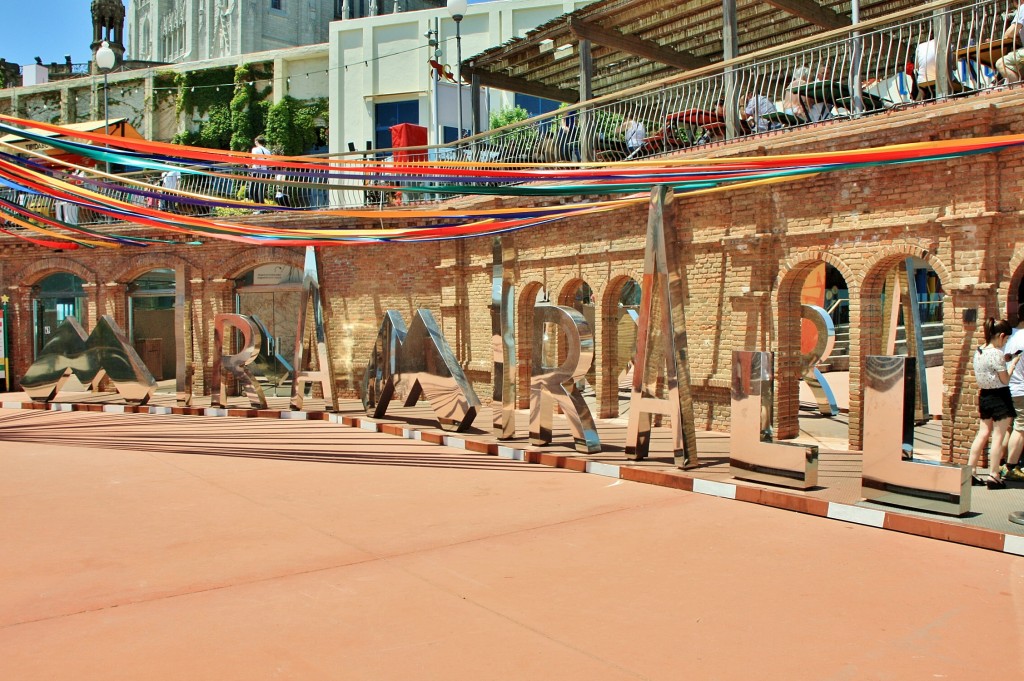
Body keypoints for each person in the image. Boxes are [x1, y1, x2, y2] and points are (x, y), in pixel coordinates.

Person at [967, 318, 1022, 489]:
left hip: (985, 396)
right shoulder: (997, 354)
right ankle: (994, 475)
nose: (1005, 343)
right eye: (1005, 340)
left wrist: (1006, 358)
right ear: (1001, 335)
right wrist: (1012, 363)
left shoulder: (979, 351)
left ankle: (970, 471)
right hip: (1000, 397)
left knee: (982, 434)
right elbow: (1004, 379)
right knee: (998, 437)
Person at [999, 304, 1024, 481]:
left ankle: (999, 463)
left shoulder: (1010, 335)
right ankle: (1011, 466)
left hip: (1004, 387)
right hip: (1020, 389)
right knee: (1021, 428)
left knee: (1005, 427)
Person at [996, 3, 1024, 83]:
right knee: (1019, 70)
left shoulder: (1023, 7)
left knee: (1001, 63)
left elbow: (1010, 33)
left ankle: (1017, 91)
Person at [248, 134, 271, 206]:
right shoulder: (267, 151)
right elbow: (269, 163)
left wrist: (249, 166)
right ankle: (262, 205)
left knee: (253, 190)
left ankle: (258, 205)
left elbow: (253, 160)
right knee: (260, 189)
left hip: (256, 171)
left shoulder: (255, 149)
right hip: (264, 172)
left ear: (257, 142)